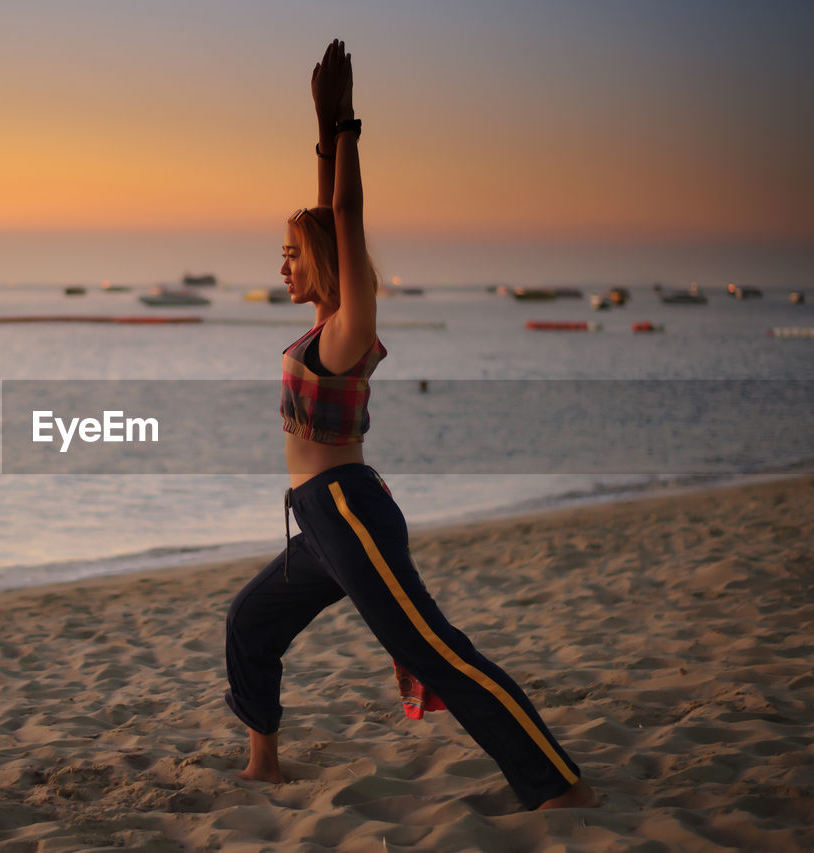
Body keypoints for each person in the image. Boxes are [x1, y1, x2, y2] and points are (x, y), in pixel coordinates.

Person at [223, 39, 598, 812]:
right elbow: (331, 212)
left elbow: (346, 217)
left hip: (351, 510)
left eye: (291, 255)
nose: (281, 266)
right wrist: (323, 129)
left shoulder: (347, 329)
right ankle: (263, 763)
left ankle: (554, 783)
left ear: (323, 262)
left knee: (433, 648)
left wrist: (351, 126)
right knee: (249, 623)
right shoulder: (323, 324)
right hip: (317, 524)